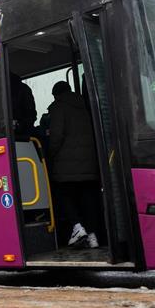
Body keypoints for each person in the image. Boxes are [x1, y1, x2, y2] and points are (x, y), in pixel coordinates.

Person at [47, 81, 101, 249]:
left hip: (67, 166)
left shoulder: (58, 107)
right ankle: (92, 236)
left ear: (56, 95)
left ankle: (77, 227)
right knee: (87, 201)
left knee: (63, 195)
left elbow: (56, 136)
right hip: (90, 165)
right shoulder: (85, 105)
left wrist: (50, 155)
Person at [10, 73, 37, 137]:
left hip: (22, 135)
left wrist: (20, 125)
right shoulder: (24, 88)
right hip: (19, 133)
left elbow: (30, 113)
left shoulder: (22, 89)